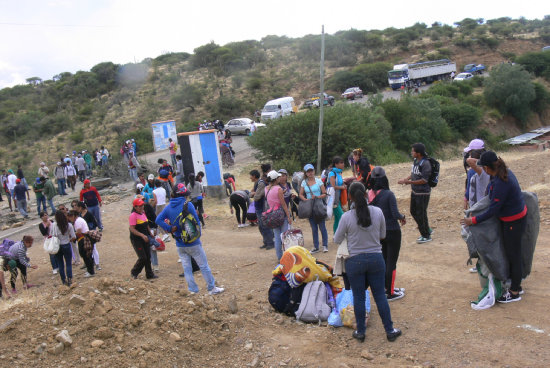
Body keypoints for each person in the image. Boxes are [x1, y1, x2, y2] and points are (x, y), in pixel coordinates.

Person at [333, 182, 402, 343]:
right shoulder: (377, 212)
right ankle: (390, 330)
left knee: (358, 297)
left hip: (354, 262)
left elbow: (337, 239)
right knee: (380, 296)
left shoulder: (346, 217)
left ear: (349, 197)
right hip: (376, 259)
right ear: (366, 194)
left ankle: (361, 332)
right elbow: (383, 235)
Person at [461, 151, 527, 303]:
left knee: (513, 255)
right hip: (515, 219)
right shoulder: (503, 172)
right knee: (513, 253)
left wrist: (474, 220)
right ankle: (516, 284)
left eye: (483, 167)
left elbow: (493, 210)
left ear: (487, 167)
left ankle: (515, 291)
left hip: (513, 222)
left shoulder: (501, 182)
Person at [155, 183, 224, 295]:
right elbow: (196, 222)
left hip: (179, 243)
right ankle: (212, 288)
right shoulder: (188, 205)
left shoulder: (168, 207)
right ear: (184, 194)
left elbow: (158, 220)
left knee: (187, 268)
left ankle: (192, 290)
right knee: (203, 266)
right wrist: (198, 236)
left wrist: (169, 228)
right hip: (193, 242)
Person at [368, 167, 406, 301]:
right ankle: (390, 292)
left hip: (379, 232)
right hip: (393, 230)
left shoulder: (369, 195)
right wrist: (403, 217)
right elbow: (395, 214)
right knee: (392, 262)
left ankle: (386, 287)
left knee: (384, 260)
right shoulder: (389, 194)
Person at [398, 143, 432, 243]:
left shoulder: (425, 163)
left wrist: (409, 182)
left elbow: (424, 180)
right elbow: (414, 173)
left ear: (418, 153)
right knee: (414, 211)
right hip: (415, 191)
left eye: (413, 151)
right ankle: (426, 229)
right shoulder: (416, 161)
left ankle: (426, 235)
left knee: (421, 213)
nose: (411, 152)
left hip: (423, 193)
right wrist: (406, 179)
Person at [299, 164, 328, 253]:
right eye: (308, 171)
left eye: (311, 171)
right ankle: (316, 246)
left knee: (322, 226)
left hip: (318, 205)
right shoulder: (304, 182)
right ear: (306, 173)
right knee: (314, 228)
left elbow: (324, 193)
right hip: (310, 207)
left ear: (314, 171)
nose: (310, 173)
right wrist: (306, 200)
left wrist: (317, 197)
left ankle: (325, 245)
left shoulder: (319, 181)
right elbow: (300, 194)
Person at [265, 170, 292, 261]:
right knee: (284, 236)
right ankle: (286, 257)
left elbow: (272, 198)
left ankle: (279, 258)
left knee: (277, 237)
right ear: (276, 179)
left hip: (272, 214)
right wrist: (289, 216)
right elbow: (283, 204)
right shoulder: (278, 189)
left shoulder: (266, 188)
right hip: (281, 214)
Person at [128, 197, 157, 280]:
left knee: (148, 256)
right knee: (143, 257)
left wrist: (150, 233)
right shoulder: (133, 216)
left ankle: (149, 274)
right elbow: (132, 229)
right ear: (135, 207)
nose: (142, 207)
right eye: (139, 206)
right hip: (137, 239)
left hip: (145, 237)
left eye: (142, 205)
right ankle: (134, 272)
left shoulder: (143, 213)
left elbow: (146, 223)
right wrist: (142, 235)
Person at [250, 168, 274, 250]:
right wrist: (253, 194)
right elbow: (251, 194)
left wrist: (253, 194)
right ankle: (266, 242)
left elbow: (256, 197)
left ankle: (270, 242)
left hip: (262, 207)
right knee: (261, 226)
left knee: (264, 226)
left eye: (250, 176)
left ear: (254, 176)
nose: (250, 178)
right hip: (259, 207)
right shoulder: (257, 183)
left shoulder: (260, 184)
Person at [51, 210, 76, 285]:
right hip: (66, 244)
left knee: (60, 263)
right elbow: (74, 237)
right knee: (68, 263)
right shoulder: (69, 225)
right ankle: (69, 279)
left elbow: (53, 235)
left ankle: (63, 280)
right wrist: (69, 240)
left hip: (58, 246)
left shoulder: (54, 225)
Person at [67, 210, 95, 278]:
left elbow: (79, 231)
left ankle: (90, 271)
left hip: (83, 239)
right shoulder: (79, 220)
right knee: (86, 255)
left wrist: (72, 234)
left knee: (85, 255)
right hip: (84, 238)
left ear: (73, 216)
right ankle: (90, 270)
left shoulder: (77, 221)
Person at [76, 201, 101, 270]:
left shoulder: (88, 213)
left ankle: (97, 264)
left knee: (94, 249)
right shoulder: (80, 215)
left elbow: (95, 223)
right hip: (84, 235)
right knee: (88, 250)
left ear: (80, 207)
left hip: (89, 233)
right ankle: (90, 263)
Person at [327, 156, 346, 233]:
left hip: (339, 198)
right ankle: (339, 234)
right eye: (341, 163)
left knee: (337, 219)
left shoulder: (339, 172)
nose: (343, 164)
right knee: (342, 216)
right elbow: (333, 186)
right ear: (336, 164)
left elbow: (340, 183)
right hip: (333, 198)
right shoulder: (332, 173)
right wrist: (343, 187)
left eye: (343, 162)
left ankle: (336, 234)